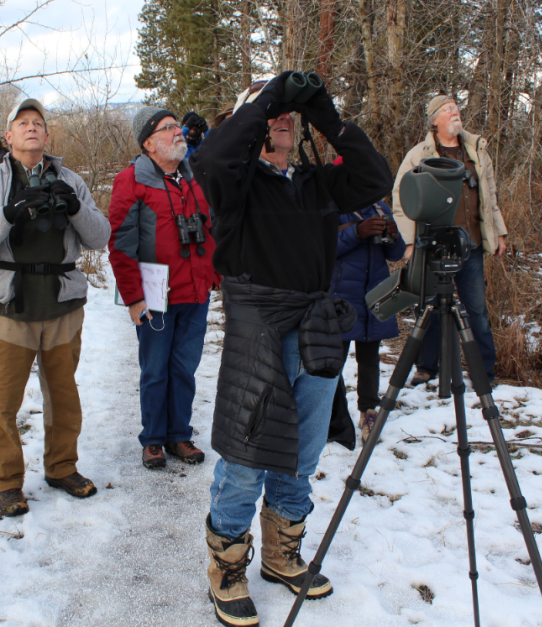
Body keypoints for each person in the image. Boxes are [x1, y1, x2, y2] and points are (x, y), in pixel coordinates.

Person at [189, 73, 393, 627]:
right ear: (248, 122)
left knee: (301, 456)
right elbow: (210, 160)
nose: (281, 118)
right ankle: (227, 568)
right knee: (246, 457)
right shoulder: (236, 183)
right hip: (259, 330)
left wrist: (324, 113)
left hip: (317, 330)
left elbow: (375, 176)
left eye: (287, 115)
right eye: (268, 113)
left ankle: (281, 555)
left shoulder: (316, 184)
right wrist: (267, 97)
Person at [0, 99, 111, 517]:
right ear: (8, 136)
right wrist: (8, 213)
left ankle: (62, 468)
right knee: (4, 402)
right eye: (22, 123)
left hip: (62, 304)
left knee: (63, 395)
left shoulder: (71, 180)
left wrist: (76, 207)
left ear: (47, 135)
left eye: (38, 123)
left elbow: (99, 238)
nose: (31, 128)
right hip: (10, 306)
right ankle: (7, 482)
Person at [108, 107, 220, 470]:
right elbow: (121, 244)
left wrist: (213, 274)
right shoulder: (131, 180)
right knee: (155, 368)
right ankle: (153, 438)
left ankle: (178, 434)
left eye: (178, 127)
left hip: (195, 292)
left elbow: (212, 226)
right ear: (149, 142)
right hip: (155, 295)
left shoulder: (195, 176)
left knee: (184, 367)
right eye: (168, 128)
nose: (178, 132)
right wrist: (134, 298)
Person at [392, 94, 508, 386]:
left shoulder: (477, 151)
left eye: (456, 107)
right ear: (434, 120)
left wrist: (500, 232)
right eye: (448, 109)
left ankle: (484, 373)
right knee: (428, 307)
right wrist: (408, 242)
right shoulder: (420, 154)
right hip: (433, 246)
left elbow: (490, 197)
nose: (455, 112)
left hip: (472, 245)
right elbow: (400, 198)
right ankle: (427, 367)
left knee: (477, 311)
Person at [330, 184, 406, 443]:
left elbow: (395, 254)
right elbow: (324, 248)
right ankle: (330, 414)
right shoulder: (333, 208)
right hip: (341, 296)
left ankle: (369, 411)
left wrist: (394, 236)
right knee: (333, 359)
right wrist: (357, 232)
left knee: (370, 358)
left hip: (374, 295)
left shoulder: (380, 208)